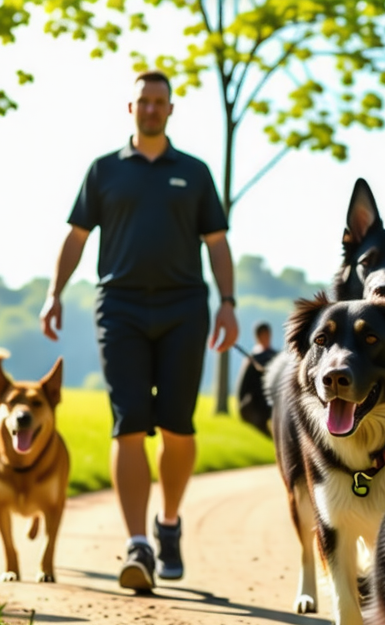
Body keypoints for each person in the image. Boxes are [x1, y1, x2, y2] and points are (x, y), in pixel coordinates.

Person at [40, 70, 238, 592]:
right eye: (143, 101)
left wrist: (228, 303)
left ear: (171, 109)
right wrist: (54, 293)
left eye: (159, 102)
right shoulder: (104, 171)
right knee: (128, 422)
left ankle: (167, 524)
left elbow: (217, 243)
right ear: (129, 107)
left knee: (177, 426)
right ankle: (138, 543)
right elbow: (76, 236)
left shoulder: (194, 173)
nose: (151, 108)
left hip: (184, 308)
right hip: (120, 306)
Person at [236, 321, 277, 437]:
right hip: (257, 404)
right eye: (263, 335)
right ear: (258, 337)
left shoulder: (276, 356)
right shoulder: (252, 359)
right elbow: (243, 387)